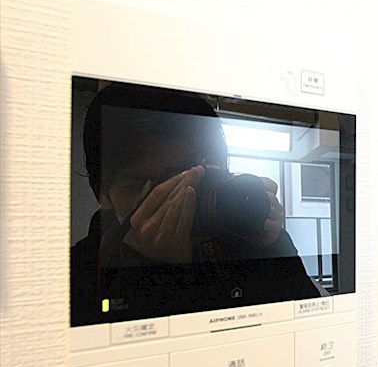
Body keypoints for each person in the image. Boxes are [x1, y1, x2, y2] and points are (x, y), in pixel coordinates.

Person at [71, 82, 319, 326]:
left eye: (192, 175)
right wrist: (156, 272)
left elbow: (309, 327)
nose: (175, 197)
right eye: (141, 185)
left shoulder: (245, 231)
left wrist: (270, 250)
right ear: (100, 192)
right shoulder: (74, 276)